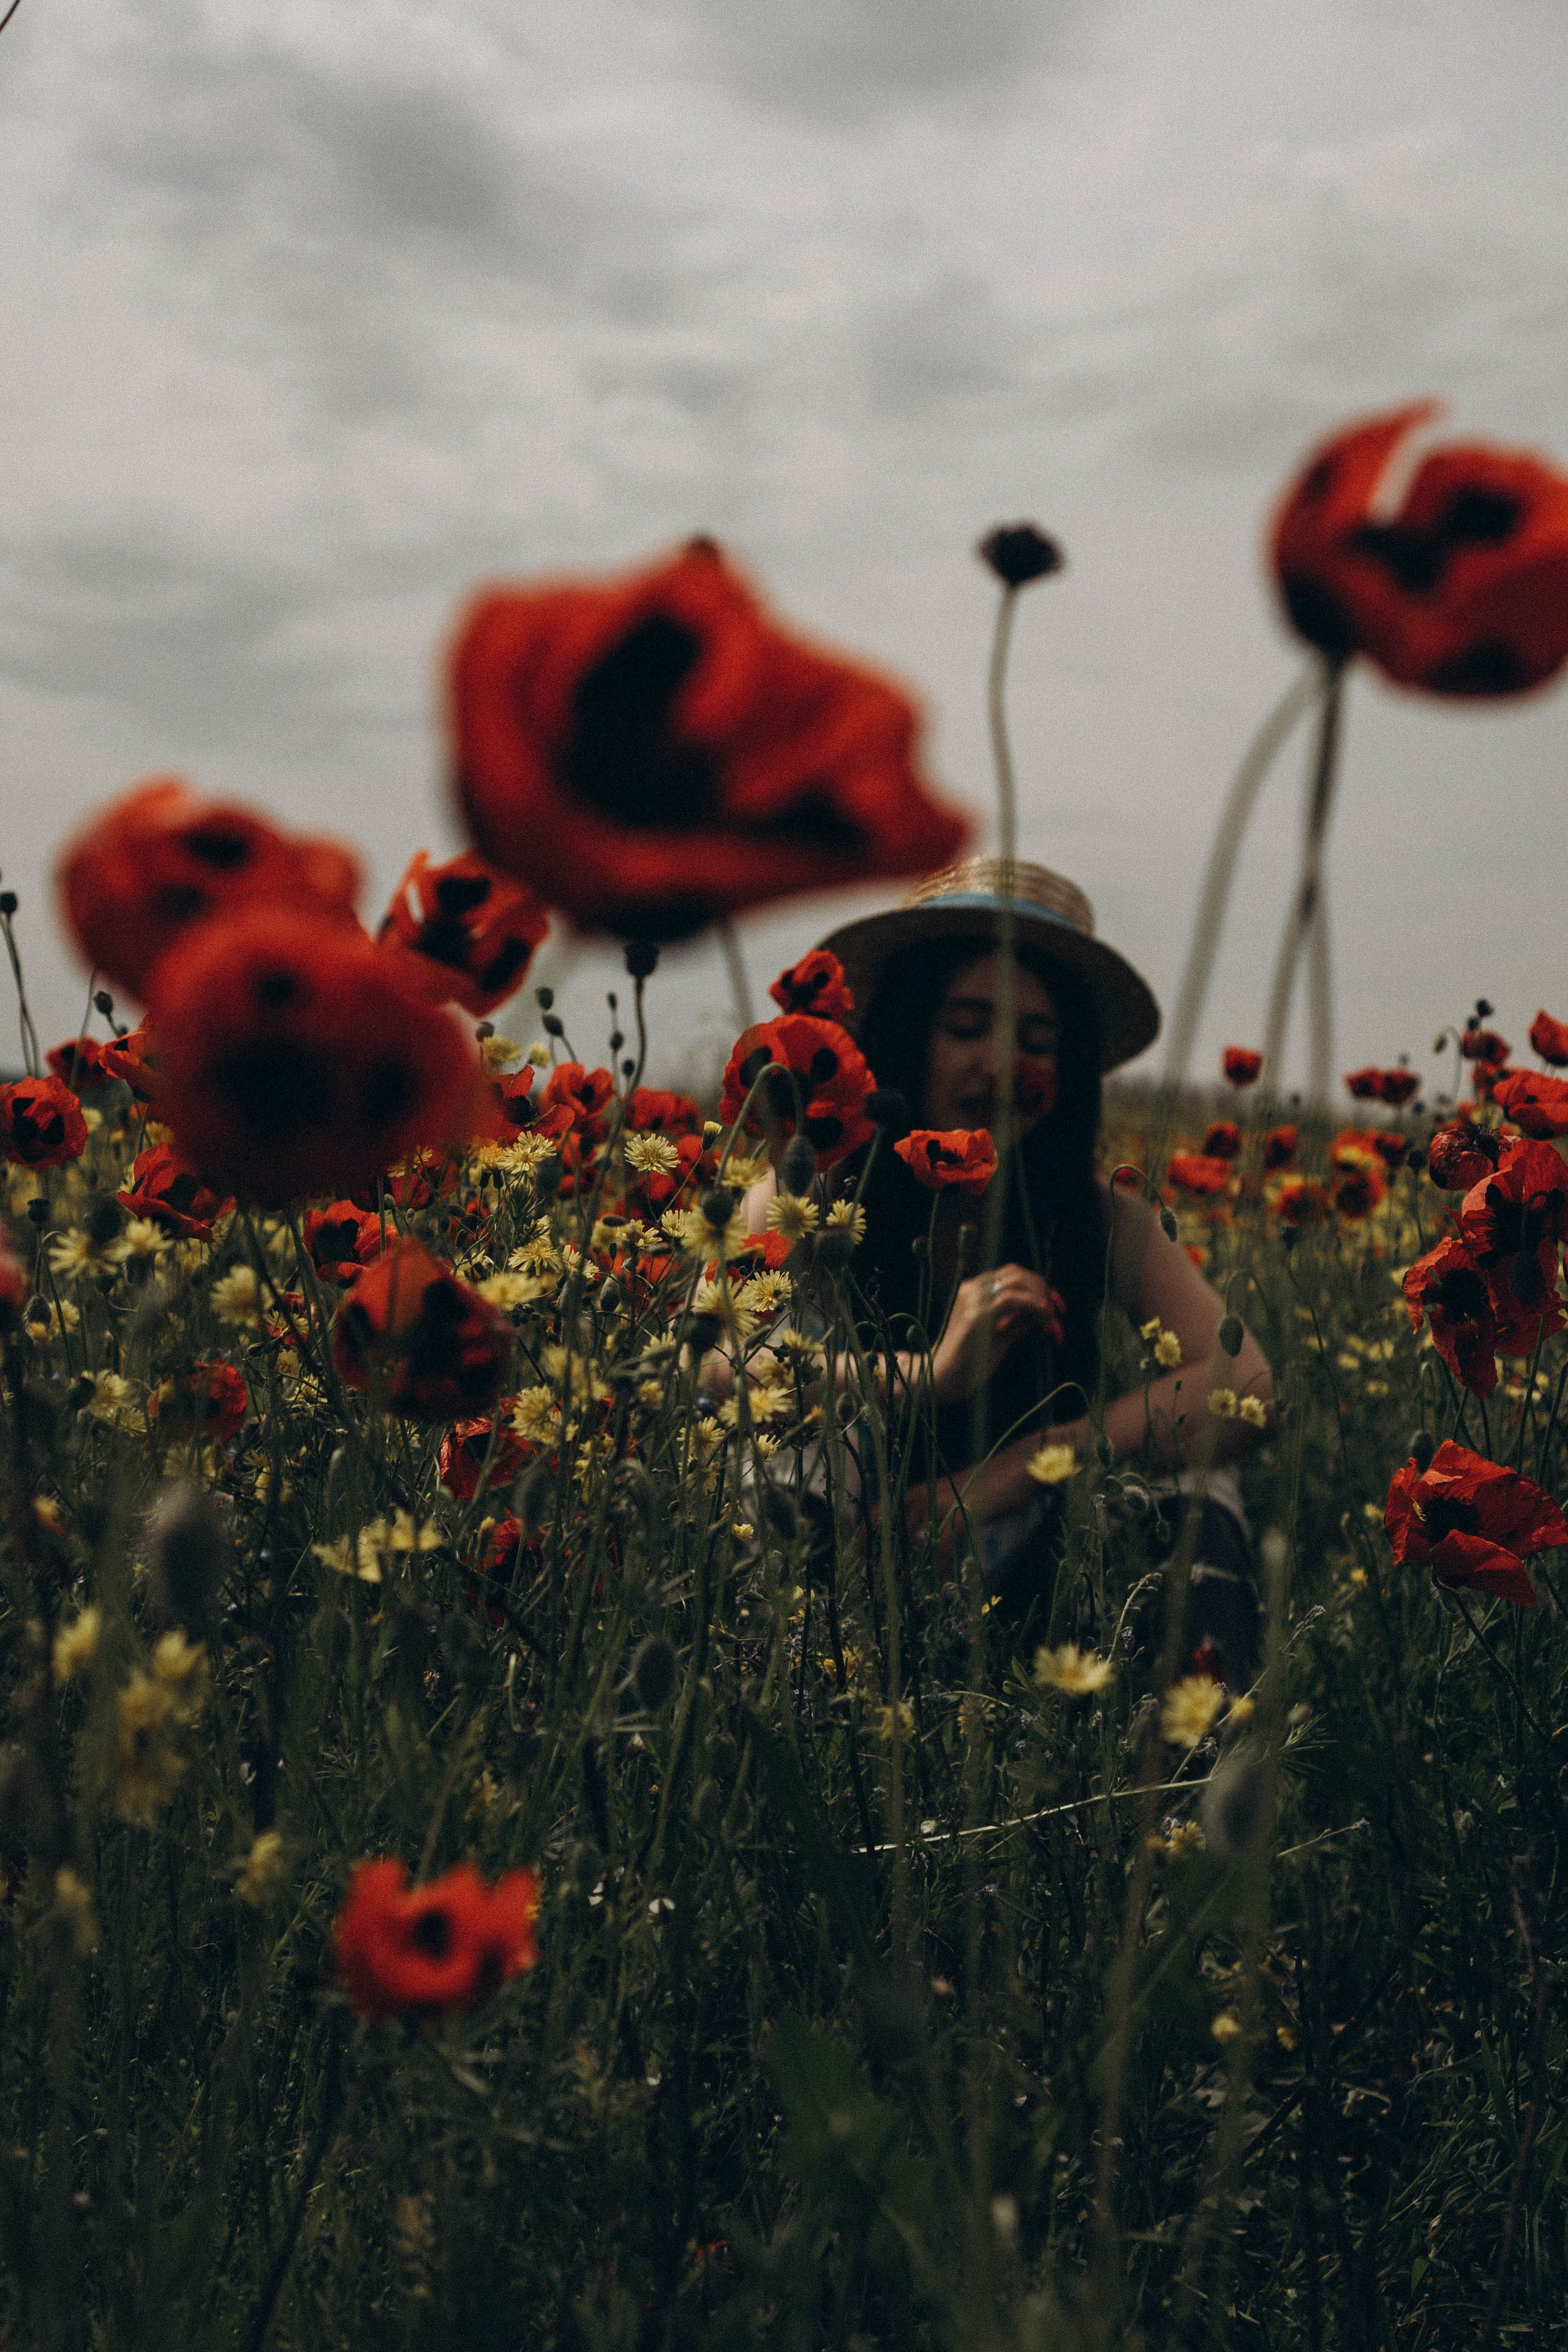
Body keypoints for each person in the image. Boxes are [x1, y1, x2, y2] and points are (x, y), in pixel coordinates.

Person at [745, 856, 1272, 1680]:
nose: (1000, 1069)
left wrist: (1018, 1470)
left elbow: (1247, 1379)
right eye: (966, 1029)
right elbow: (715, 1368)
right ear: (908, 1037)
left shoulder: (1093, 1214)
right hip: (847, 1579)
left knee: (1195, 1478)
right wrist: (929, 1375)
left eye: (1037, 1044)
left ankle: (1183, 1773)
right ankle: (780, 1705)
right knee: (793, 1449)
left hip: (1033, 1584)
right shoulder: (816, 1191)